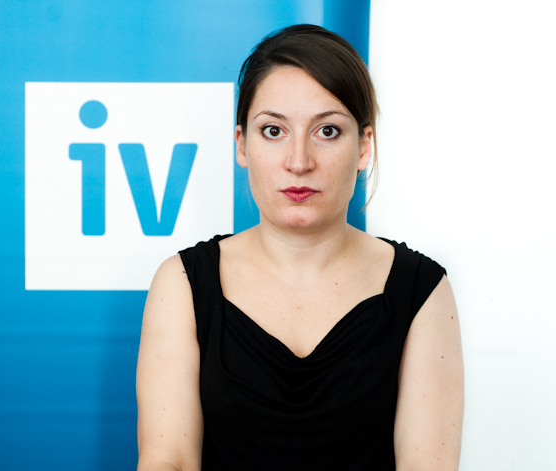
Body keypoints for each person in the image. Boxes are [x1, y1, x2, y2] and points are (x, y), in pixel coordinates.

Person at [136, 24, 464, 471]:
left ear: (364, 146)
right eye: (274, 131)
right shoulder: (183, 283)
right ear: (242, 144)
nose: (299, 161)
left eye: (327, 131)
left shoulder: (421, 290)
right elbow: (168, 460)